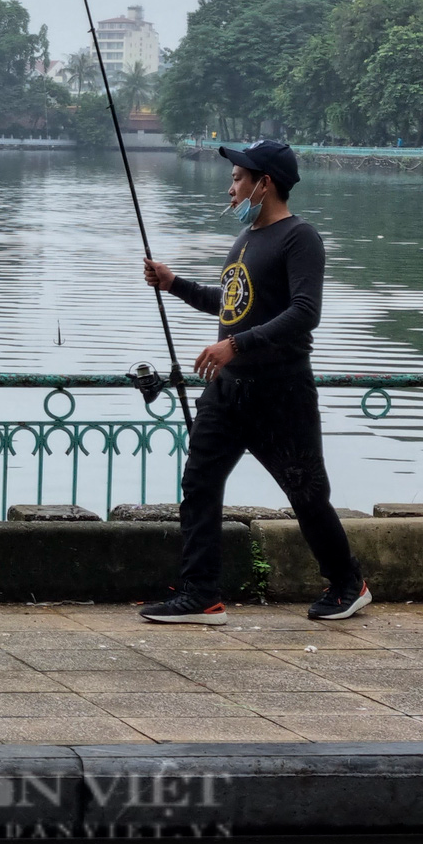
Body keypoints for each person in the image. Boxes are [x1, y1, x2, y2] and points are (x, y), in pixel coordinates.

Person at [139, 140, 370, 625]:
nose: (232, 187)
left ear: (265, 183)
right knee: (199, 484)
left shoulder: (299, 238)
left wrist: (236, 346)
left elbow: (305, 314)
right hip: (228, 390)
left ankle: (349, 583)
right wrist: (174, 283)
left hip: (280, 391)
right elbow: (231, 305)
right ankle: (201, 595)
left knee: (305, 492)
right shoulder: (243, 241)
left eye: (239, 178)